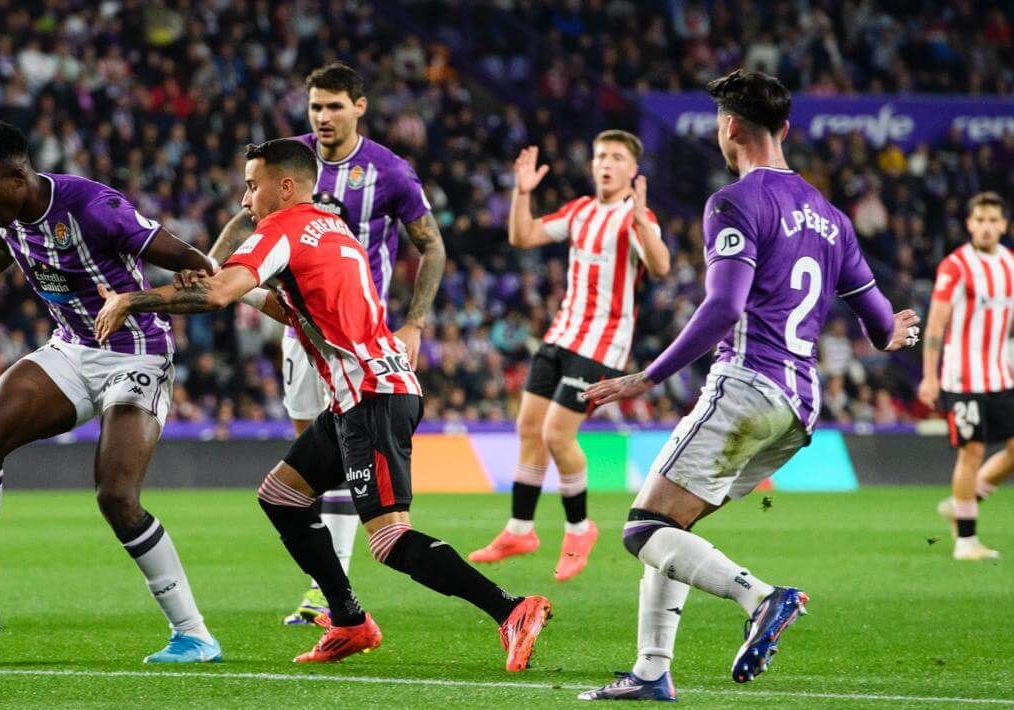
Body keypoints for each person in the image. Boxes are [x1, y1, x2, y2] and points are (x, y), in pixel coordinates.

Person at [93, 139, 550, 671]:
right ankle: (349, 619)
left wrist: (132, 298)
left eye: (251, 185)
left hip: (371, 398)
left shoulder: (280, 230)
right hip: (366, 392)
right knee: (282, 496)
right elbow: (294, 312)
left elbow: (215, 295)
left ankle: (511, 609)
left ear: (285, 186)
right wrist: (238, 289)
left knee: (389, 539)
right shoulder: (333, 229)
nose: (245, 200)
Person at [574, 69, 920, 702]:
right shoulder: (831, 217)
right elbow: (879, 329)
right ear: (784, 128)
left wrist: (645, 379)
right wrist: (899, 331)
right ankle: (652, 670)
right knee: (671, 527)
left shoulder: (733, 202)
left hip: (747, 385)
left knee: (641, 531)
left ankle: (761, 598)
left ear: (729, 126)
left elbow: (724, 307)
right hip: (800, 407)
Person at [0, 120, 222, 663]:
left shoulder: (94, 208)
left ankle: (193, 634)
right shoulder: (9, 215)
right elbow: (1, 245)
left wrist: (140, 297)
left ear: (18, 176)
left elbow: (203, 272)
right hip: (73, 348)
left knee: (116, 497)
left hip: (137, 352)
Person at [208, 63, 446, 624]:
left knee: (343, 447)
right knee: (310, 459)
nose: (323, 117)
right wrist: (209, 266)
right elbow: (246, 227)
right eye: (316, 106)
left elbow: (430, 247)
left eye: (334, 106)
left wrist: (414, 323)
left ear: (359, 107)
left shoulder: (389, 171)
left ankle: (329, 592)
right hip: (300, 324)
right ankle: (334, 591)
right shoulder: (287, 165)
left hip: (360, 334)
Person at [468, 132, 670, 582]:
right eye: (601, 155)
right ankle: (520, 529)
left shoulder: (635, 217)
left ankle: (580, 528)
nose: (606, 163)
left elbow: (660, 267)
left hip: (602, 343)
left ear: (631, 170)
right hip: (561, 334)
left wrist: (640, 220)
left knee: (557, 434)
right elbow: (522, 236)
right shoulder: (580, 211)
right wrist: (522, 192)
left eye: (617, 157)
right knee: (528, 429)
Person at [918, 192, 1014, 560]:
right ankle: (966, 542)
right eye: (980, 219)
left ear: (1004, 225)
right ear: (969, 224)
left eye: (993, 220)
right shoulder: (955, 265)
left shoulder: (1012, 262)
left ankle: (963, 500)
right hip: (962, 377)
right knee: (972, 450)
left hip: (998, 374)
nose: (987, 226)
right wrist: (930, 376)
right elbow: (937, 321)